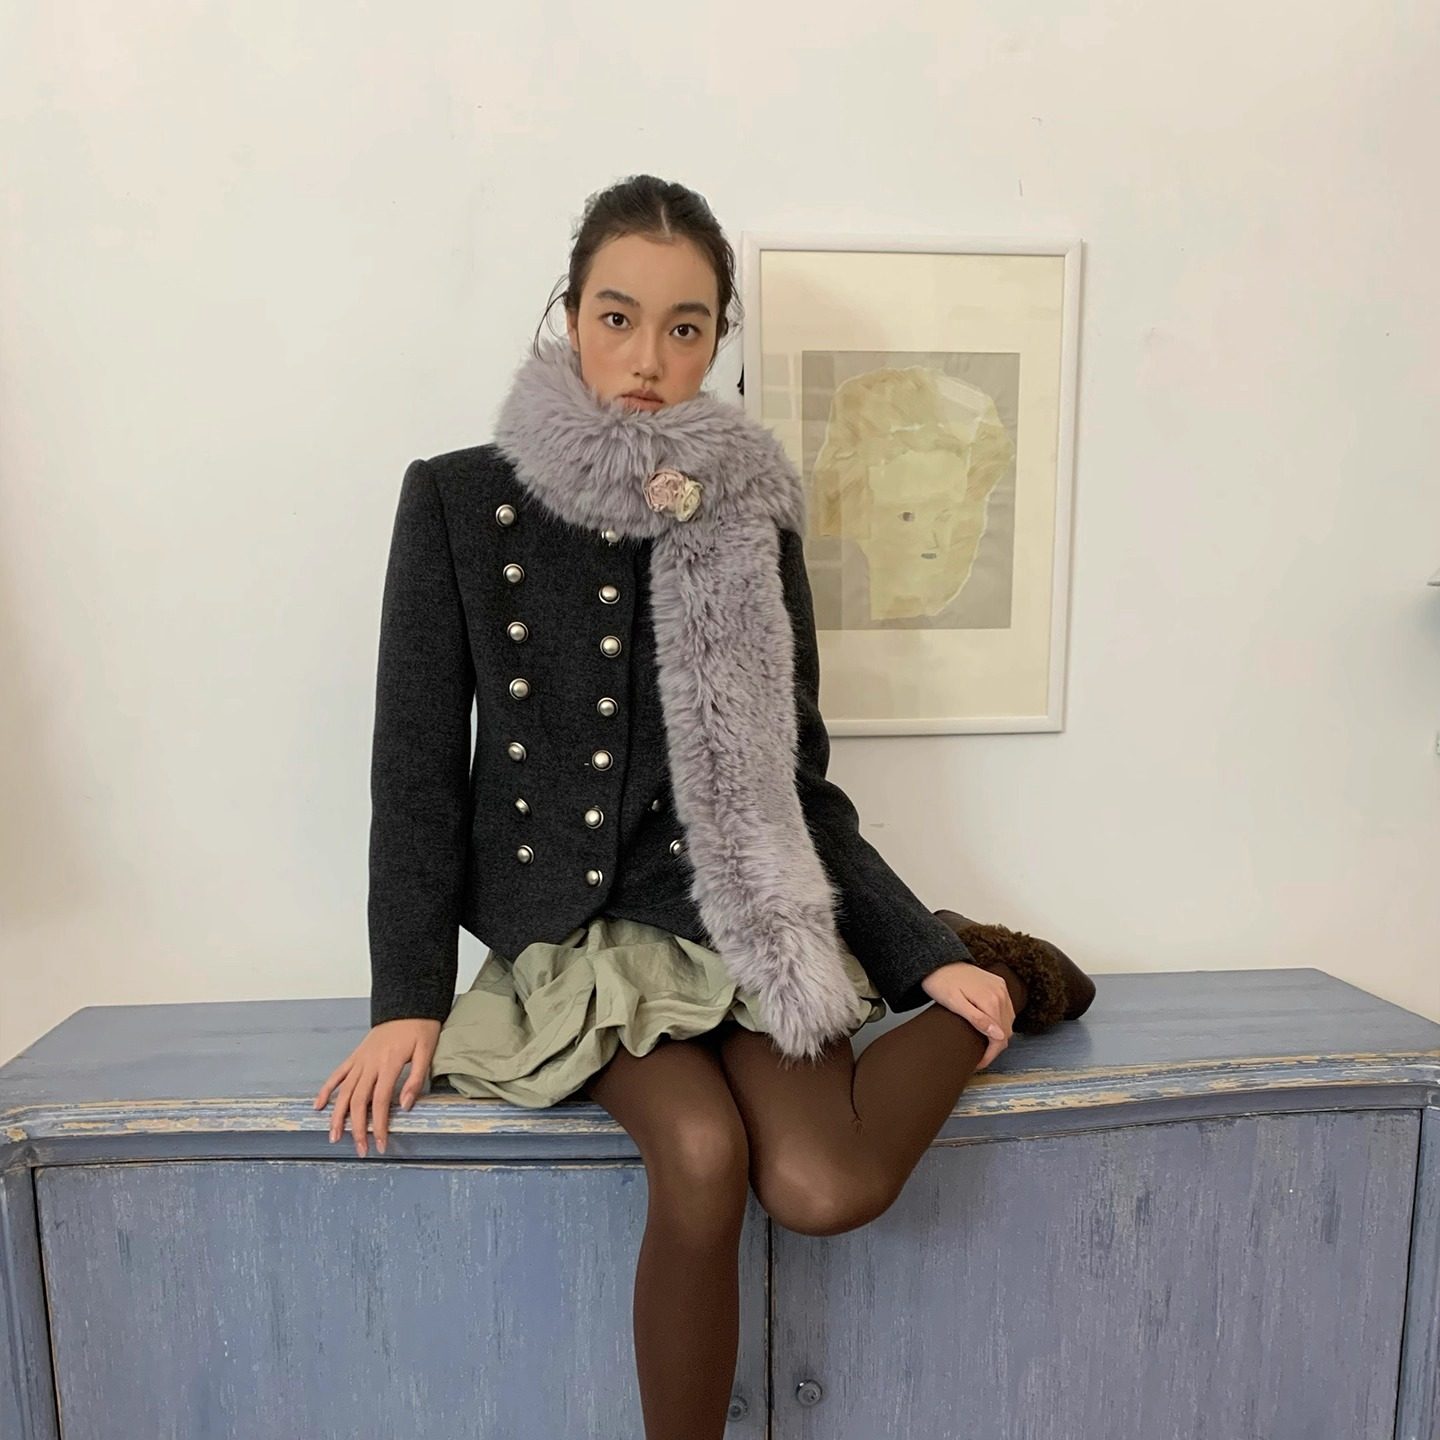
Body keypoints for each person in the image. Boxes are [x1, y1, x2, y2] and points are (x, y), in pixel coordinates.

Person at [314, 173, 1095, 1440]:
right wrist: (405, 998)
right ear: (570, 314)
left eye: (685, 327)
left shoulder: (748, 517)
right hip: (581, 944)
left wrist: (925, 955)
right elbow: (412, 774)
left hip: (747, 917)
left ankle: (996, 968)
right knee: (701, 1155)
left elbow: (796, 781)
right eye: (618, 317)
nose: (647, 358)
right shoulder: (460, 500)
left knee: (829, 1186)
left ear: (717, 339)